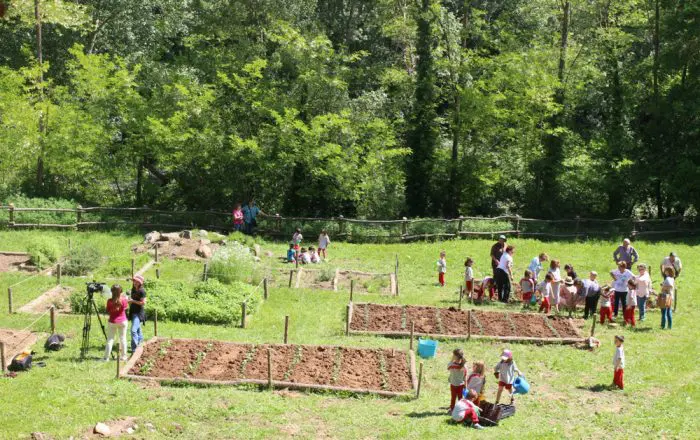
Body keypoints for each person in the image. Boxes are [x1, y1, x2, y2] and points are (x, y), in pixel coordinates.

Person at [104, 285, 128, 361]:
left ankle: (106, 358)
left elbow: (107, 310)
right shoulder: (124, 300)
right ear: (120, 291)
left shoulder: (109, 301)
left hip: (112, 321)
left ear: (112, 291)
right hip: (123, 321)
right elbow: (126, 308)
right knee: (123, 339)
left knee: (110, 340)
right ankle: (124, 356)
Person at [128, 275, 147, 353]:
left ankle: (134, 349)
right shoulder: (133, 289)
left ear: (140, 283)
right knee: (138, 330)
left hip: (138, 313)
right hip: (133, 311)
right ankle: (141, 344)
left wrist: (132, 301)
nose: (134, 282)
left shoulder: (142, 291)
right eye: (134, 281)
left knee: (133, 331)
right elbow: (132, 299)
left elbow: (143, 303)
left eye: (136, 281)